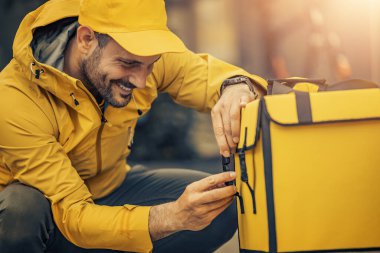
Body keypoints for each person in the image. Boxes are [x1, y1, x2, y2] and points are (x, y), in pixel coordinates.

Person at [0, 0, 267, 252]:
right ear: (86, 39)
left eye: (150, 66)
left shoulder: (141, 56)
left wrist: (235, 86)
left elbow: (205, 75)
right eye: (127, 64)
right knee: (21, 211)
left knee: (219, 206)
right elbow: (73, 213)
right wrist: (171, 218)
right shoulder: (15, 99)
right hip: (53, 215)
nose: (141, 80)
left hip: (111, 187)